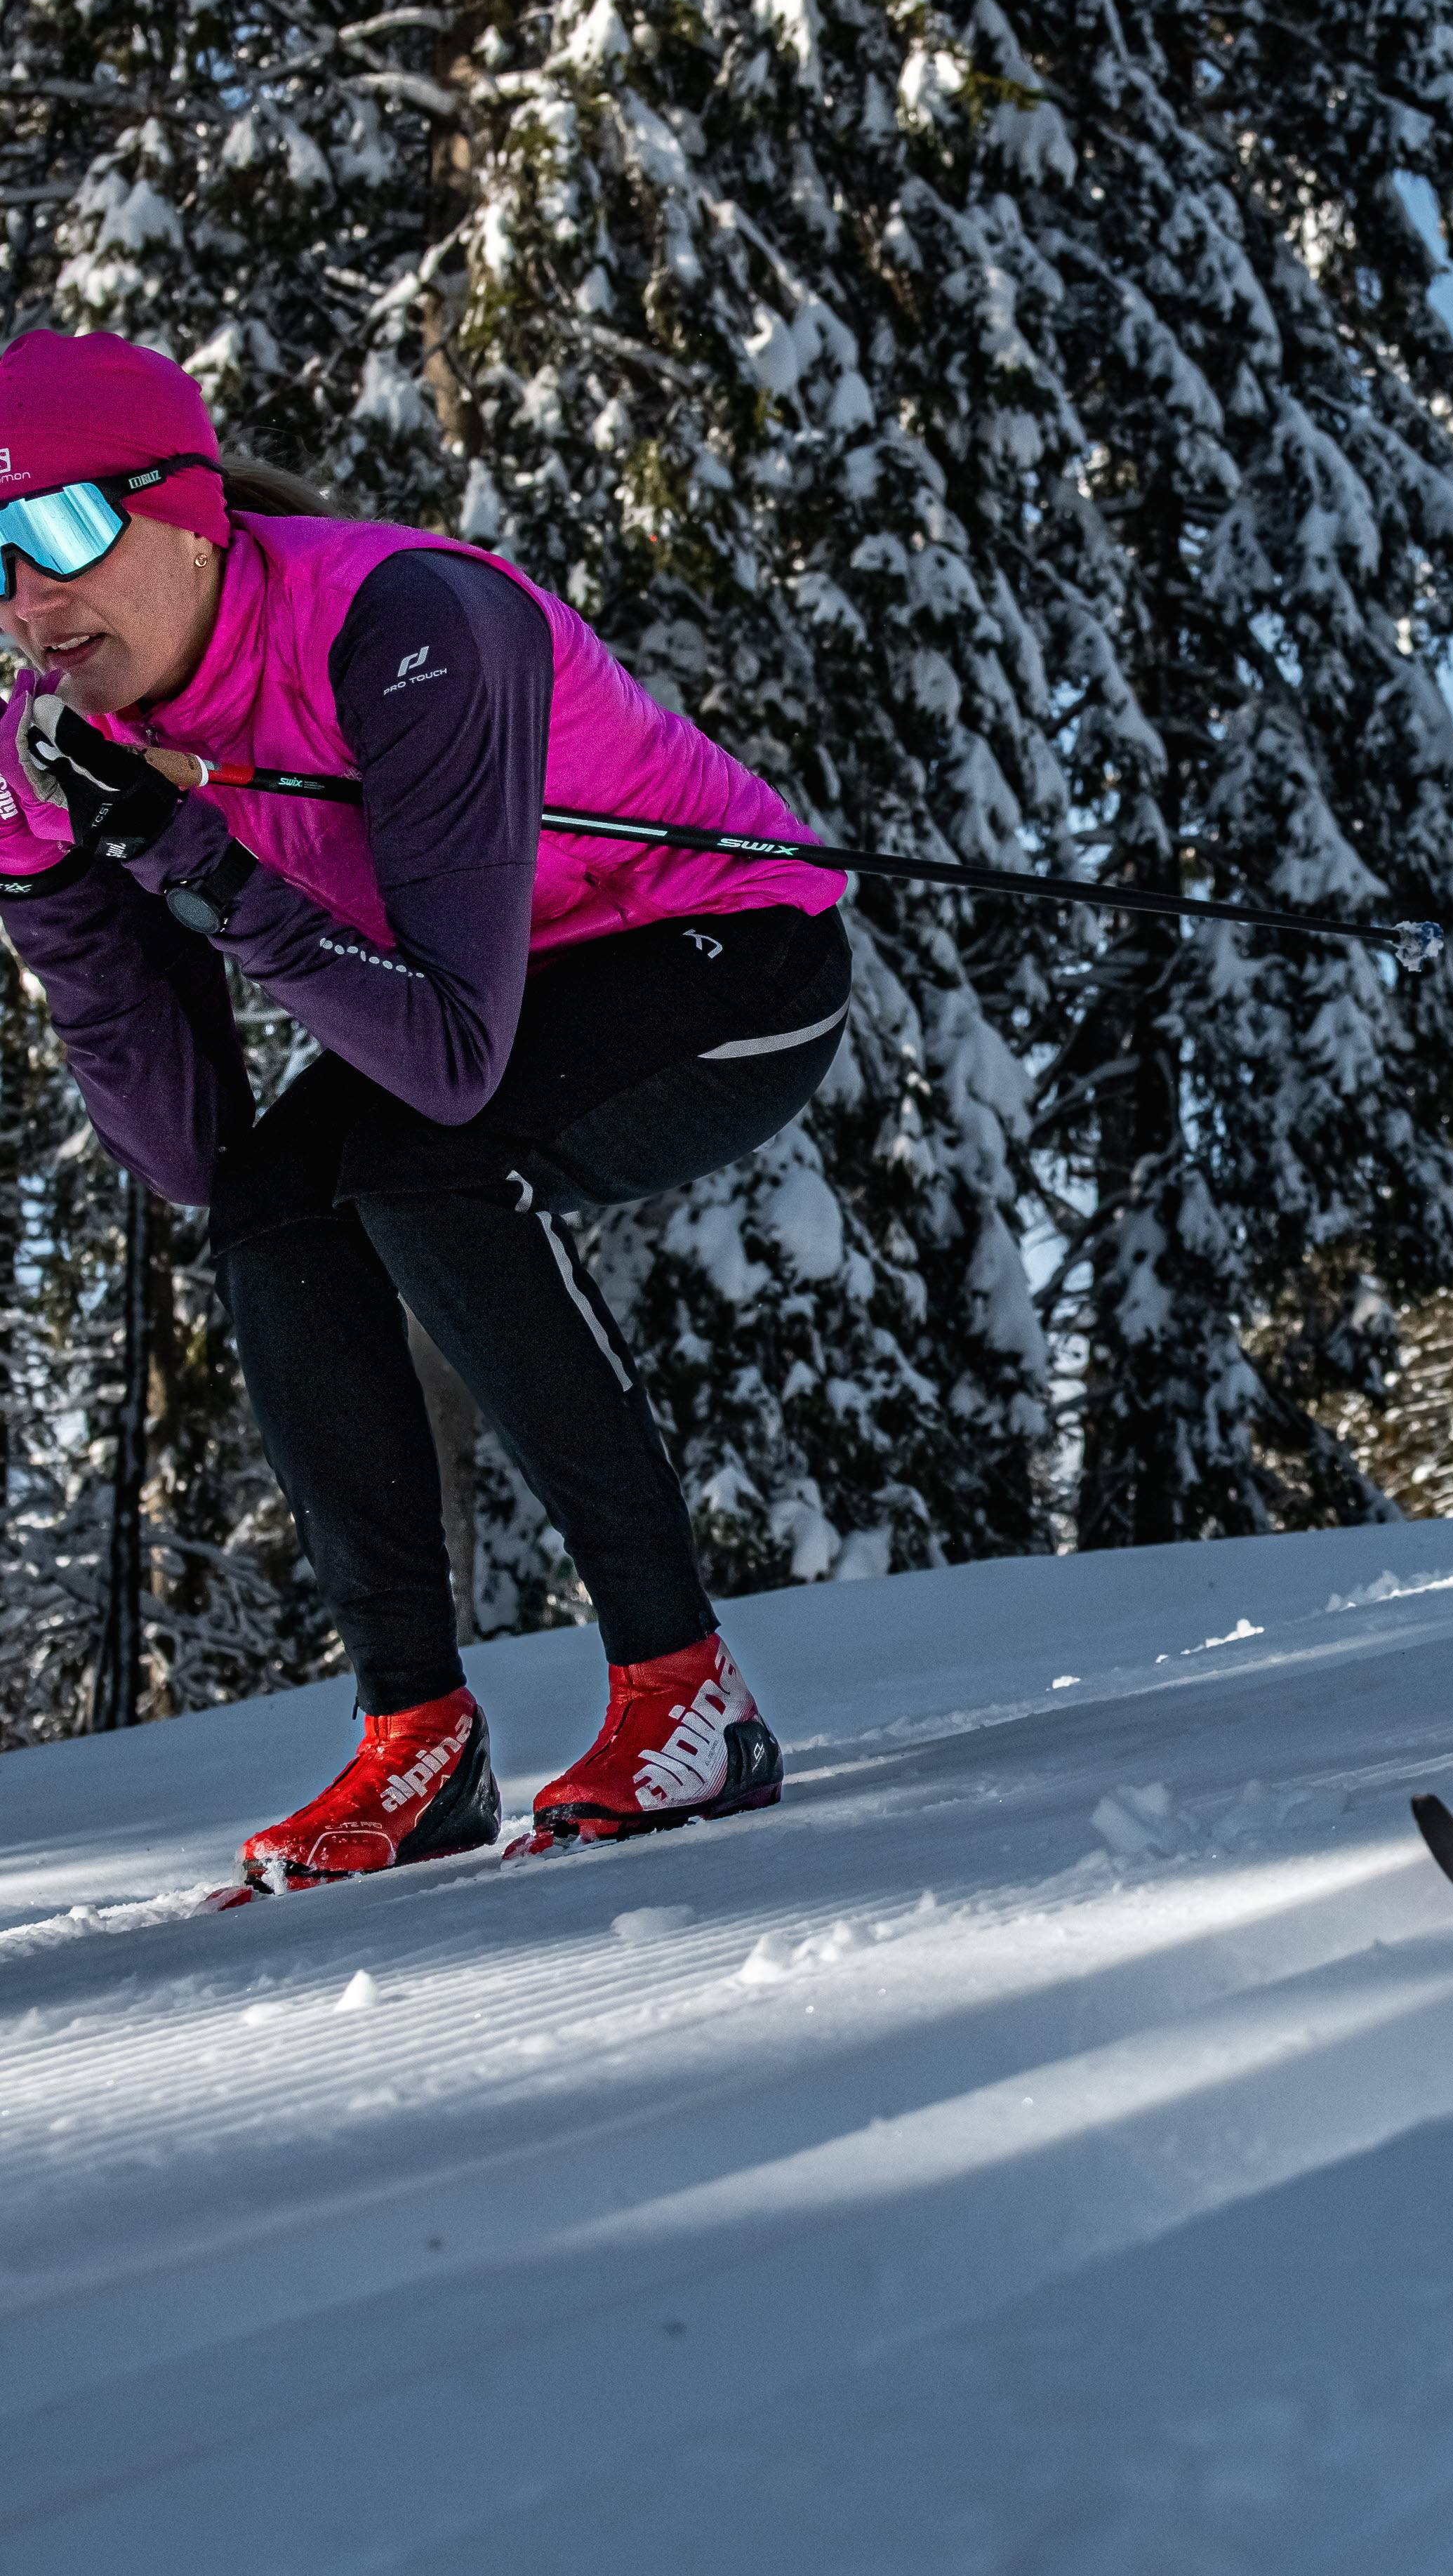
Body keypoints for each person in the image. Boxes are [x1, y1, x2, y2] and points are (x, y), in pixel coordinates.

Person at [0, 331, 853, 1887]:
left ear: (189, 508)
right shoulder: (71, 739)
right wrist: (47, 883)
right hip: (493, 994)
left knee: (418, 1161)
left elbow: (454, 1060)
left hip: (725, 947)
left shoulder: (407, 622)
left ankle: (687, 1689)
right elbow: (193, 1147)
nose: (28, 601)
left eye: (57, 530)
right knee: (272, 1202)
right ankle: (421, 1739)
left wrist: (196, 857)